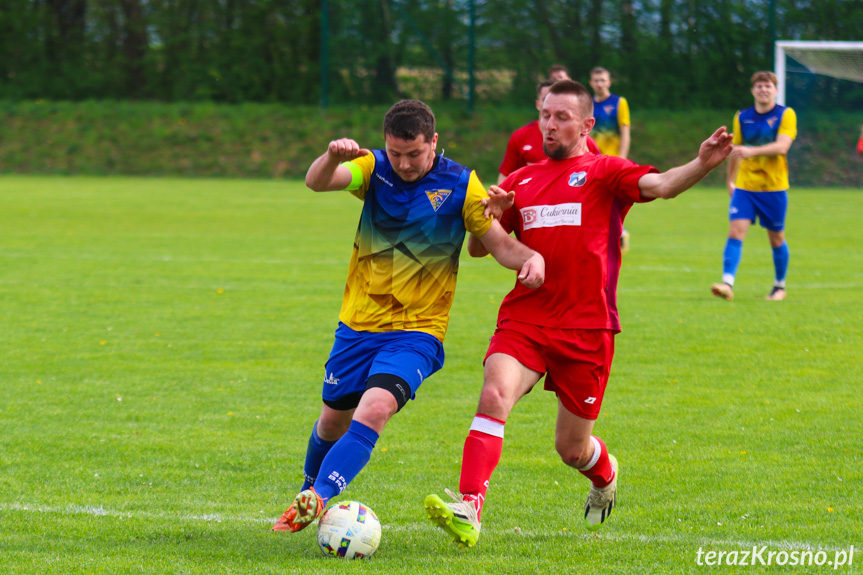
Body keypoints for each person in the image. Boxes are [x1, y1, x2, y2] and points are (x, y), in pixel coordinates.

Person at [423, 80, 732, 547]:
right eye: (545, 114)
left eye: (561, 117)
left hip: (588, 329)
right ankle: (470, 506)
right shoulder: (520, 179)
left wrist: (702, 163)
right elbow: (478, 249)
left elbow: (663, 184)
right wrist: (492, 214)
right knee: (493, 394)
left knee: (571, 449)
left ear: (588, 124)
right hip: (525, 319)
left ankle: (604, 476)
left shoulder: (607, 172)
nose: (549, 124)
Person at [271, 99, 545, 533]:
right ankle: (306, 491)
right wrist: (331, 157)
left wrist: (532, 259)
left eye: (414, 154)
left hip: (417, 332)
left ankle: (319, 495)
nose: (404, 163)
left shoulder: (461, 184)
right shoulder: (373, 167)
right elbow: (317, 182)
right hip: (357, 326)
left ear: (433, 142)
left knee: (376, 407)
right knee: (332, 420)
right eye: (396, 153)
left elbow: (500, 244)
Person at [711, 71, 797, 302]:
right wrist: (730, 180)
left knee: (776, 238)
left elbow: (782, 147)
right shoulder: (742, 117)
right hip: (745, 187)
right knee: (735, 232)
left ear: (775, 90)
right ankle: (727, 283)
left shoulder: (785, 115)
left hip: (774, 187)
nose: (763, 89)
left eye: (768, 85)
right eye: (759, 86)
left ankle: (780, 286)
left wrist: (752, 151)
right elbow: (734, 150)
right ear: (753, 91)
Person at [498, 80, 601, 185]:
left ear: (587, 126)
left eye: (562, 118)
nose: (550, 126)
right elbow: (505, 176)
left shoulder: (589, 146)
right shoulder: (521, 136)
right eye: (545, 98)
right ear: (538, 104)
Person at [589, 66, 632, 254]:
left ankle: (619, 233)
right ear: (591, 83)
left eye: (602, 80)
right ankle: (616, 234)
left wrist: (622, 158)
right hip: (591, 161)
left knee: (612, 201)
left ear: (609, 82)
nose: (599, 84)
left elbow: (625, 132)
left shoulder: (619, 103)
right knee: (594, 201)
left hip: (612, 162)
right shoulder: (587, 104)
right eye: (596, 81)